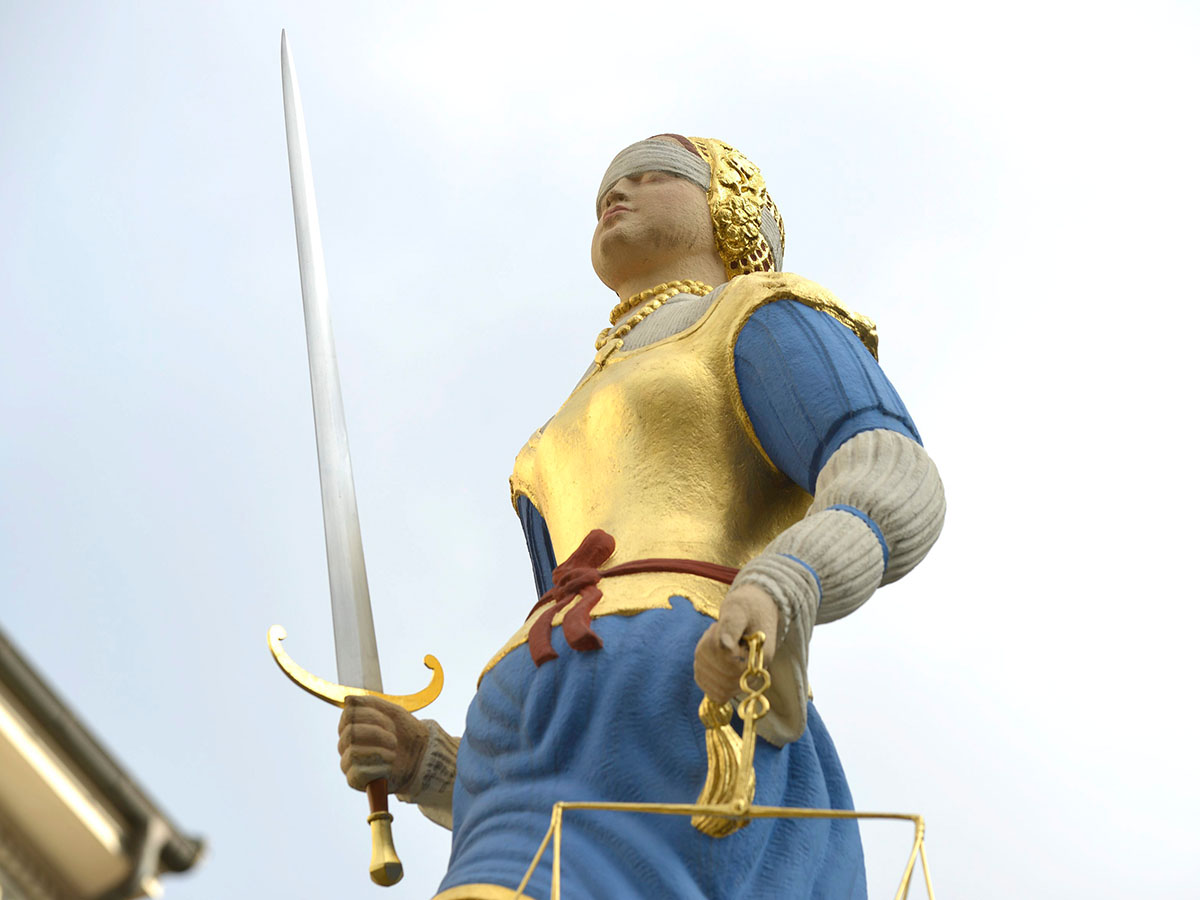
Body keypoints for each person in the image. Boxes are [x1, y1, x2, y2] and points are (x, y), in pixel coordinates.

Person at [337, 134, 946, 899]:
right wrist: (431, 764)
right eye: (605, 192)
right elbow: (556, 761)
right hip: (530, 705)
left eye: (654, 176)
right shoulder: (551, 436)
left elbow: (887, 468)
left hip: (692, 687)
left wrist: (790, 580)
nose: (615, 195)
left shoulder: (750, 317)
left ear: (728, 206)